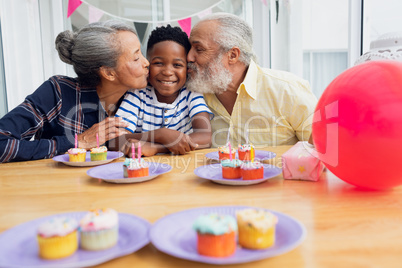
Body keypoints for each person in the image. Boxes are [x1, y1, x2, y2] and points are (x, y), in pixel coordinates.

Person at [0, 20, 149, 163]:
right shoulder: (58, 92)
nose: (146, 63)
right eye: (136, 58)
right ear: (108, 73)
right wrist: (78, 142)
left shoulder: (146, 95)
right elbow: (2, 143)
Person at [186, 13, 317, 147]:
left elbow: (325, 150)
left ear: (232, 55)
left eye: (199, 49)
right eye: (189, 48)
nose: (189, 57)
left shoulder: (288, 91)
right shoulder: (189, 95)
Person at [114, 25, 213, 157]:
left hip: (182, 170)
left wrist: (156, 148)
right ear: (147, 63)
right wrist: (161, 135)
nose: (167, 72)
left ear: (187, 69)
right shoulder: (138, 94)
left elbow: (205, 138)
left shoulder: (191, 93)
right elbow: (114, 141)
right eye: (158, 63)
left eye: (177, 65)